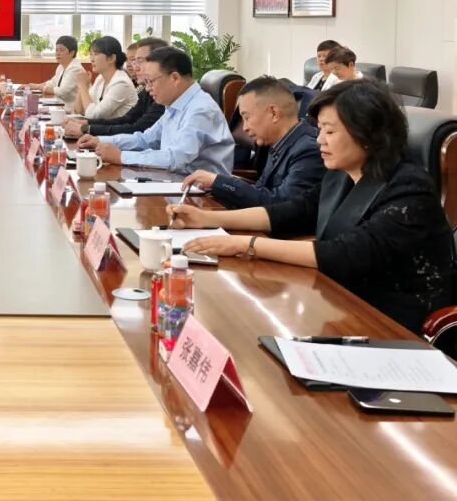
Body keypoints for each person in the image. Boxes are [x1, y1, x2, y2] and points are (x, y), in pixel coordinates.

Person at [170, 80, 454, 332]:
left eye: (329, 131)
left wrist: (245, 245)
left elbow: (345, 254)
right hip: (342, 303)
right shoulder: (341, 174)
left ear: (367, 133)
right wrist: (206, 218)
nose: (319, 140)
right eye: (320, 130)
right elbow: (291, 212)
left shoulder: (409, 189)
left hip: (396, 323)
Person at [181, 76, 323, 208]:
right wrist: (216, 187)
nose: (245, 128)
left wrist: (220, 182)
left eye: (247, 118)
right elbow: (261, 191)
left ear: (274, 113)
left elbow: (282, 206)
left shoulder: (309, 150)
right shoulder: (278, 143)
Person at [92, 46, 234, 175]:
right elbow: (145, 140)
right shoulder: (174, 106)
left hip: (204, 191)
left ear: (175, 78)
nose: (148, 88)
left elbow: (176, 159)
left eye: (151, 81)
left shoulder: (201, 110)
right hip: (175, 181)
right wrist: (98, 140)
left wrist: (121, 156)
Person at [69, 37, 168, 143]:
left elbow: (138, 129)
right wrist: (87, 123)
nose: (134, 67)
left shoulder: (122, 83)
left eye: (139, 61)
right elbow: (127, 119)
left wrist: (88, 128)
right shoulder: (145, 92)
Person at [72, 36, 136, 120]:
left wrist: (82, 86)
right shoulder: (100, 79)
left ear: (111, 58)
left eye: (95, 54)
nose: (92, 59)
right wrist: (84, 86)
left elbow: (93, 115)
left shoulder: (121, 83)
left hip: (118, 128)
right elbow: (79, 110)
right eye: (91, 55)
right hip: (103, 127)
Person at [30, 35, 85, 106]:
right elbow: (52, 83)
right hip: (63, 106)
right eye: (56, 50)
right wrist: (33, 86)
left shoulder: (75, 68)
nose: (58, 53)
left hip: (74, 109)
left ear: (72, 53)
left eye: (61, 50)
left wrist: (38, 87)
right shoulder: (61, 66)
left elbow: (62, 91)